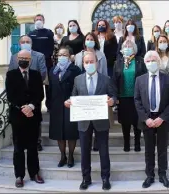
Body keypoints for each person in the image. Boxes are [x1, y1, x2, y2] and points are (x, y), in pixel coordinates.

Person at [64, 51, 116, 191]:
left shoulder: (106, 79)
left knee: (104, 151)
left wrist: (112, 101)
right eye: (86, 62)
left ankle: (105, 178)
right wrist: (68, 102)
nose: (89, 64)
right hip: (84, 121)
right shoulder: (78, 79)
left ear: (97, 63)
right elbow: (74, 96)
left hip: (101, 121)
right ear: (83, 64)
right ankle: (86, 178)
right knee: (85, 151)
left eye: (91, 61)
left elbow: (113, 96)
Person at [134, 50, 169, 189]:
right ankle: (150, 175)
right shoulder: (140, 80)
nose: (151, 63)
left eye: (154, 60)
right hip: (148, 118)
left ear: (158, 62)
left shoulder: (168, 79)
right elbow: (137, 100)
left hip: (162, 117)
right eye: (148, 61)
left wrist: (162, 117)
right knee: (149, 149)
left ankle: (163, 174)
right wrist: (146, 119)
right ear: (145, 63)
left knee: (163, 148)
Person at [5, 49, 45, 188]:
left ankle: (34, 173)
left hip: (33, 116)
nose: (24, 60)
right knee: (18, 148)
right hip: (17, 116)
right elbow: (11, 96)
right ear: (17, 59)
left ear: (30, 60)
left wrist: (31, 107)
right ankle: (19, 176)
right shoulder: (11, 75)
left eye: (26, 58)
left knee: (33, 147)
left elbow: (40, 94)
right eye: (21, 58)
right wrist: (24, 108)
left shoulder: (36, 74)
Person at [49, 46, 81, 168]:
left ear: (69, 57)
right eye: (60, 55)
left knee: (70, 132)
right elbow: (50, 88)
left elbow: (78, 87)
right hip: (56, 105)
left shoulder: (75, 70)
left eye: (65, 55)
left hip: (71, 104)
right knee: (59, 133)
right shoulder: (53, 70)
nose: (62, 57)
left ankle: (71, 155)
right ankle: (63, 155)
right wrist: (49, 104)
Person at [113, 39, 147, 152]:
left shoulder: (140, 61)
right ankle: (126, 143)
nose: (127, 47)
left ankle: (137, 143)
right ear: (122, 49)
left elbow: (145, 79)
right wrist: (115, 96)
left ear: (134, 48)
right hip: (122, 98)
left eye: (130, 45)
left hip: (137, 97)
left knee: (137, 121)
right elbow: (114, 81)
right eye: (125, 45)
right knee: (125, 122)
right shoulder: (118, 62)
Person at [28, 14, 54, 112]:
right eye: (37, 19)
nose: (39, 21)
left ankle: (49, 106)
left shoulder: (49, 33)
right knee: (35, 85)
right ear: (34, 21)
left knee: (48, 86)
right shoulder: (31, 34)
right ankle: (35, 105)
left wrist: (44, 57)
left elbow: (51, 47)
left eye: (40, 19)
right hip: (34, 63)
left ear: (43, 21)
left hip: (47, 62)